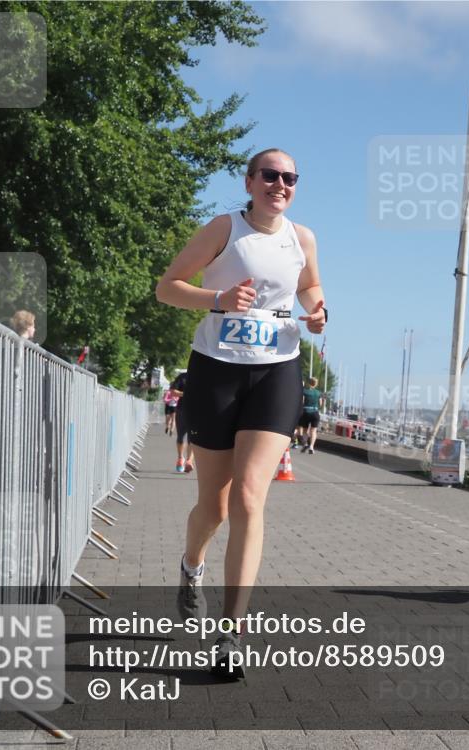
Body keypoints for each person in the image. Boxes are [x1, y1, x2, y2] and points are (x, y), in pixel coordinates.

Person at [155, 148, 326, 679]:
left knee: (250, 496)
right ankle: (191, 567)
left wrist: (318, 311)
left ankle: (230, 633)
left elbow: (309, 287)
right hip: (217, 370)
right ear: (250, 181)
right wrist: (219, 300)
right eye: (270, 175)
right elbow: (167, 288)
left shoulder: (302, 238)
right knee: (215, 507)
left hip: (277, 370)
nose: (281, 184)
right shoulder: (224, 228)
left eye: (290, 178)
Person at [169, 370, 193, 472]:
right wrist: (185, 394)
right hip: (182, 410)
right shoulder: (182, 377)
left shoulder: (202, 377)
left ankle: (189, 461)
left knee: (193, 437)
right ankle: (180, 458)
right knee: (181, 437)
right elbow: (172, 391)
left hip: (196, 412)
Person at [298, 376, 322, 453]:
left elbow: (302, 401)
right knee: (313, 431)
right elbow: (320, 404)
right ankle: (311, 447)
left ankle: (305, 444)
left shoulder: (305, 391)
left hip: (306, 412)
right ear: (316, 384)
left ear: (309, 383)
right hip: (315, 412)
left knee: (305, 430)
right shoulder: (318, 393)